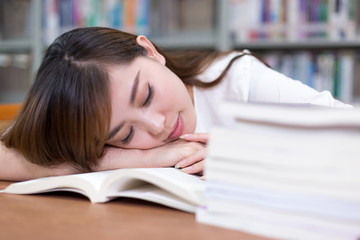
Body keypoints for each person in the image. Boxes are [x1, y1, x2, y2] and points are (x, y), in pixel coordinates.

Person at [0, 27, 351, 181]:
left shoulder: (238, 80)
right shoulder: (109, 131)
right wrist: (144, 157)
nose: (157, 126)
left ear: (150, 52)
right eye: (125, 134)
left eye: (147, 95)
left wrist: (247, 151)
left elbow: (350, 133)